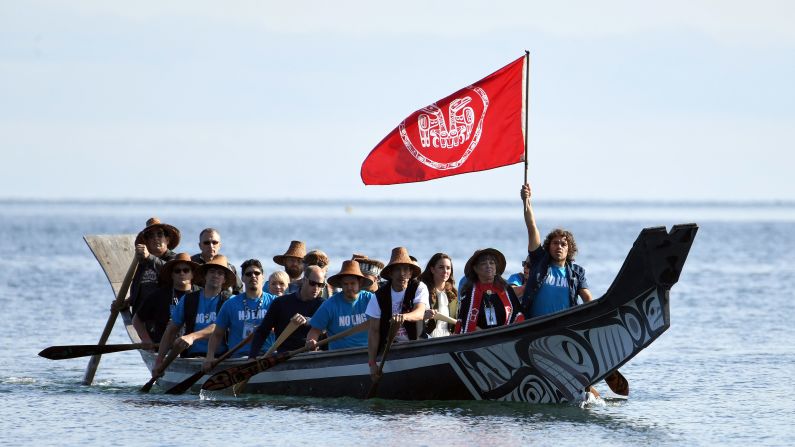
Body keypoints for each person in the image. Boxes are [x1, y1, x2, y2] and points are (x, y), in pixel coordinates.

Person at [152, 255, 235, 377]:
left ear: (224, 280)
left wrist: (192, 337)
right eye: (212, 271)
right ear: (205, 276)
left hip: (221, 358)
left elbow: (217, 327)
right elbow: (171, 331)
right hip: (192, 356)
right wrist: (159, 361)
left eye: (220, 273)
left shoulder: (231, 301)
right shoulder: (188, 300)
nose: (215, 275)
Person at [521, 183, 593, 318]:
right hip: (533, 325)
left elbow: (588, 299)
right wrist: (526, 201)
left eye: (563, 244)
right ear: (548, 246)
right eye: (555, 243)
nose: (559, 246)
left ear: (569, 249)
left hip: (563, 327)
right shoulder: (539, 261)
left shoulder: (577, 273)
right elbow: (532, 228)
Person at [366, 247, 429, 381]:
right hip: (390, 350)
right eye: (397, 269)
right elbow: (374, 331)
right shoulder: (377, 297)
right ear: (390, 273)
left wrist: (404, 317)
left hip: (417, 345)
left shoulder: (419, 287)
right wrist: (372, 364)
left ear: (411, 273)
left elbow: (419, 313)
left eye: (406, 269)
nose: (402, 274)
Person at [204, 259, 275, 370]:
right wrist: (209, 357)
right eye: (248, 274)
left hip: (268, 355)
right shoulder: (230, 304)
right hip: (239, 357)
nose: (253, 276)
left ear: (263, 277)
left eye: (257, 273)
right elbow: (217, 334)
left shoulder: (274, 302)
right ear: (242, 278)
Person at [249, 265, 327, 355]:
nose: (316, 288)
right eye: (313, 283)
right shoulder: (280, 303)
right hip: (284, 356)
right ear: (304, 280)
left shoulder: (323, 304)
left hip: (313, 354)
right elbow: (263, 331)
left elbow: (327, 328)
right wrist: (252, 356)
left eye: (321, 285)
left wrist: (308, 321)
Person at [305, 260, 374, 351]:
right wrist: (311, 341)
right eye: (346, 284)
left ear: (360, 283)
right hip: (339, 355)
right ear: (341, 285)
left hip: (368, 352)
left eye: (352, 283)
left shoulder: (370, 299)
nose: (349, 287)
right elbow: (314, 331)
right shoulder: (330, 304)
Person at [132, 252, 200, 344]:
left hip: (193, 349)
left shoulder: (202, 294)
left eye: (186, 270)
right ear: (172, 275)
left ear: (192, 274)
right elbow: (137, 320)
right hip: (164, 348)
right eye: (177, 271)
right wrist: (147, 341)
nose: (181, 273)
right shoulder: (158, 296)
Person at [458, 248, 524, 333]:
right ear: (475, 269)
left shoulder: (507, 290)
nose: (488, 266)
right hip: (480, 340)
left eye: (492, 263)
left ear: (496, 267)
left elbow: (518, 315)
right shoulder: (469, 293)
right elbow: (465, 323)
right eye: (483, 263)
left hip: (506, 338)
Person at [127, 217, 179, 315]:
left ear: (167, 240)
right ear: (146, 242)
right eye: (150, 236)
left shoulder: (174, 259)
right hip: (141, 317)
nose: (155, 238)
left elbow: (169, 270)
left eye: (159, 234)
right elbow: (139, 287)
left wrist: (149, 257)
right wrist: (129, 301)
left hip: (163, 316)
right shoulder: (142, 262)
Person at [191, 227, 243, 295]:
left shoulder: (229, 268)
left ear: (219, 245)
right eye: (206, 243)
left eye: (214, 242)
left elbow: (238, 292)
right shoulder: (191, 264)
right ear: (200, 245)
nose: (211, 246)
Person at [419, 252, 459, 338]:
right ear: (432, 269)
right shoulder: (423, 291)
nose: (445, 271)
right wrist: (425, 317)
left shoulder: (453, 295)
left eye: (448, 268)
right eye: (441, 267)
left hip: (449, 339)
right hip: (428, 339)